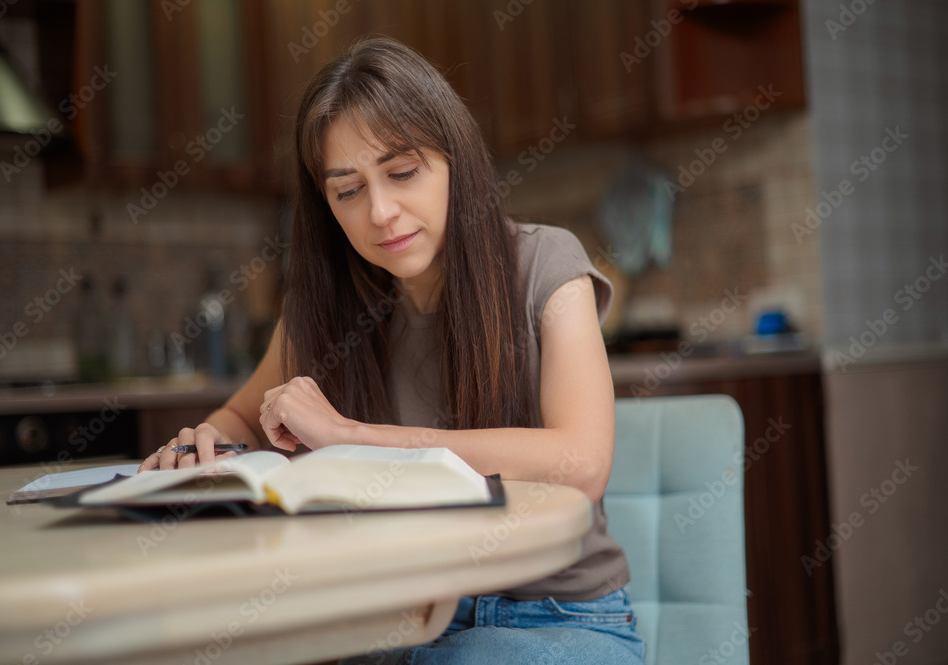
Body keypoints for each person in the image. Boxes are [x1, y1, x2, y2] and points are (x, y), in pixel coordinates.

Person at [139, 36, 644, 664]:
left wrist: (349, 434)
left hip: (558, 617)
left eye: (402, 173)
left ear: (454, 159)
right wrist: (202, 445)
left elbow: (582, 462)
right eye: (348, 191)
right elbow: (240, 418)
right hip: (393, 615)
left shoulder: (547, 265)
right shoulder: (323, 309)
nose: (381, 212)